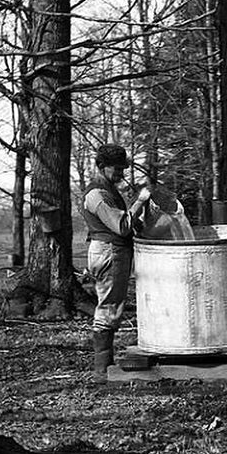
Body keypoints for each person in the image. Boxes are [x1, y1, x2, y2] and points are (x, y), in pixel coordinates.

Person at [83, 144, 151, 380]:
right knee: (109, 307)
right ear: (101, 166)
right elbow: (121, 227)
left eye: (123, 168)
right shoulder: (97, 194)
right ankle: (102, 369)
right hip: (109, 252)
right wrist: (140, 202)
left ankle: (104, 366)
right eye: (117, 168)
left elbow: (125, 223)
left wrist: (138, 222)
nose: (121, 173)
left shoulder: (107, 190)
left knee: (112, 305)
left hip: (111, 251)